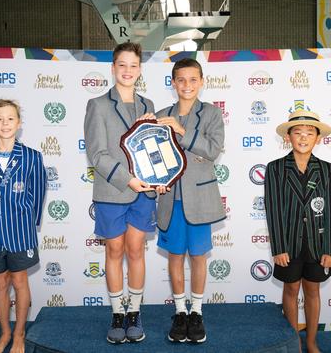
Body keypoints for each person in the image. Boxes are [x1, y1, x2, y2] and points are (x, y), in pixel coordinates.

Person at [83, 42, 156, 344]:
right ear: (113, 68)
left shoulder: (148, 106)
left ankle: (134, 313)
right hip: (113, 190)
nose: (127, 71)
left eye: (133, 65)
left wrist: (158, 177)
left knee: (136, 250)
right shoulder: (98, 105)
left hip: (143, 193)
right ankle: (116, 314)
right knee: (114, 251)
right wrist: (128, 180)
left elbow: (155, 149)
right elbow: (96, 154)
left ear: (140, 70)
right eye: (122, 65)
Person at [155, 58, 226, 344]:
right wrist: (154, 183)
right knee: (175, 256)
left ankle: (196, 312)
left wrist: (182, 131)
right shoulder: (159, 115)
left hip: (199, 198)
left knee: (198, 256)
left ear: (201, 81)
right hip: (171, 199)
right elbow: (153, 156)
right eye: (181, 80)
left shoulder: (211, 114)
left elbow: (211, 150)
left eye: (192, 80)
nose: (186, 85)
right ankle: (180, 311)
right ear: (173, 83)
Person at [0, 99, 46, 353]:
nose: (5, 124)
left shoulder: (32, 157)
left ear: (19, 123)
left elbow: (37, 196)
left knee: (20, 282)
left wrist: (26, 223)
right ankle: (4, 333)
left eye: (10, 118)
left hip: (20, 233)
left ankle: (19, 334)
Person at [264, 109, 331, 353]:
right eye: (298, 133)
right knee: (291, 289)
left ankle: (312, 341)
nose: (303, 138)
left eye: (309, 133)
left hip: (317, 244)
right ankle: (293, 340)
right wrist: (278, 248)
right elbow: (273, 209)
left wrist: (330, 249)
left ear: (318, 138)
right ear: (288, 137)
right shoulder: (275, 168)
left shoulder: (327, 170)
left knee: (313, 290)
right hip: (288, 242)